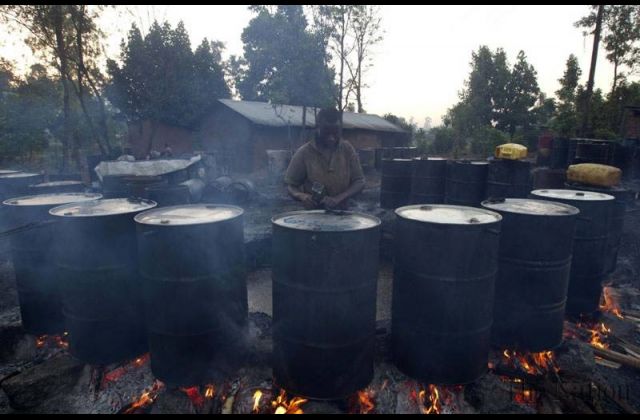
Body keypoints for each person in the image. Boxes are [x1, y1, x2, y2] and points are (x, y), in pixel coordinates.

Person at [284, 107, 365, 209]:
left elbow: (359, 182)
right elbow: (290, 186)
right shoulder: (304, 153)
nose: (331, 137)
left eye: (335, 132)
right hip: (313, 216)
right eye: (326, 132)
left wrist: (338, 198)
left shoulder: (347, 149)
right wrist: (302, 196)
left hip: (344, 214)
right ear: (318, 127)